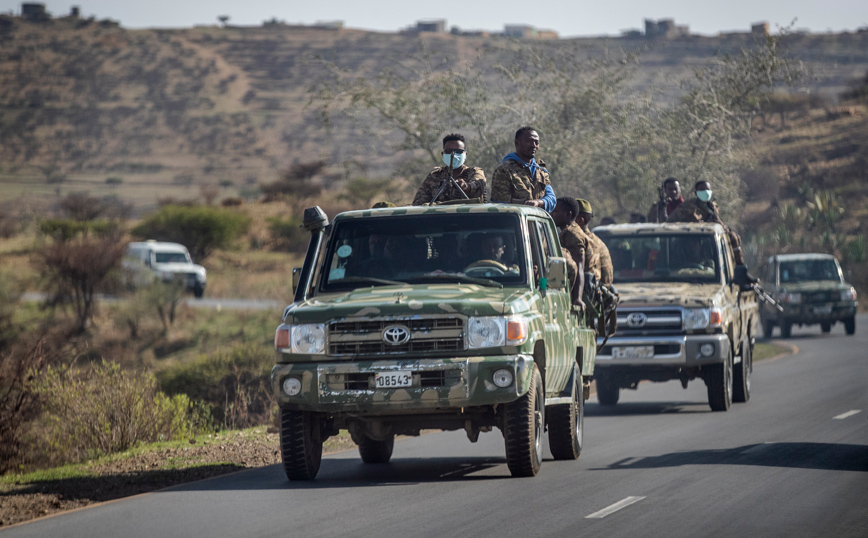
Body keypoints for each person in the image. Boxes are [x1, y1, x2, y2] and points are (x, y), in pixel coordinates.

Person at [666, 180, 745, 265]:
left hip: (712, 236)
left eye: (707, 189)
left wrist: (724, 228)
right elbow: (670, 221)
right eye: (702, 190)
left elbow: (718, 222)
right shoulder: (687, 206)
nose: (705, 192)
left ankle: (738, 266)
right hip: (694, 238)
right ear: (696, 193)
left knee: (733, 237)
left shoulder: (712, 207)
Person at [490, 126, 556, 212]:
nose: (534, 145)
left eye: (537, 142)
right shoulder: (505, 170)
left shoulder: (540, 170)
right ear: (517, 143)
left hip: (537, 222)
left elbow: (552, 199)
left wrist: (538, 202)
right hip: (516, 222)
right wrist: (525, 204)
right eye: (529, 141)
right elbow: (500, 205)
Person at [412, 133, 486, 205]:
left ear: (465, 154)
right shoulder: (435, 175)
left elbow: (477, 185)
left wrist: (466, 187)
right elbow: (419, 203)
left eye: (458, 151)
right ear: (443, 154)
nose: (453, 155)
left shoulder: (475, 172)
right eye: (449, 151)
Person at [550, 197, 588, 307]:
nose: (552, 214)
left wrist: (577, 299)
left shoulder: (573, 235)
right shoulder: (566, 232)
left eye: (556, 211)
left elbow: (579, 266)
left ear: (568, 214)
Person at [574, 199, 613, 287]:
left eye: (570, 217)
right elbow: (608, 278)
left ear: (580, 220)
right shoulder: (599, 243)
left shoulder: (577, 242)